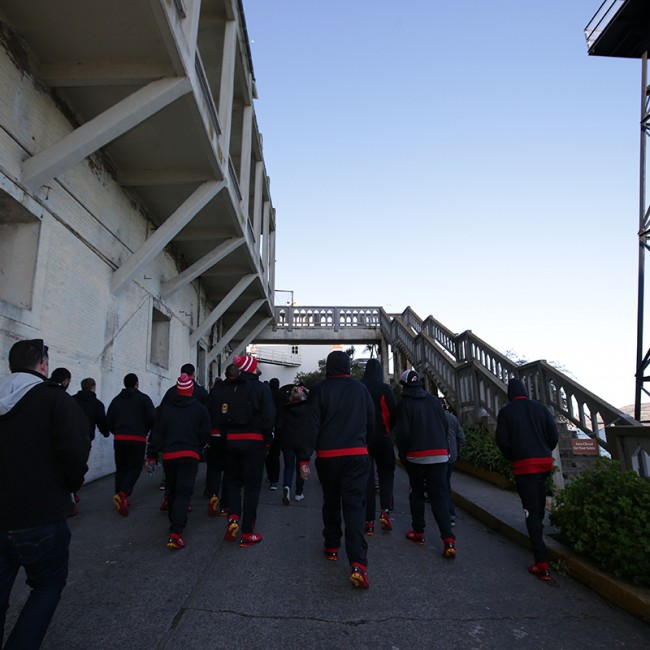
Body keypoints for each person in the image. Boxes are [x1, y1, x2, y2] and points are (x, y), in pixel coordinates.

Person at [0, 338, 90, 648]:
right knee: (47, 585)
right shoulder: (56, 400)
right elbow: (76, 452)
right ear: (42, 365)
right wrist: (69, 486)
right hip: (40, 514)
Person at [299, 350, 374, 589]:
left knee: (331, 501)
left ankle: (332, 546)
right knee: (354, 507)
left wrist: (304, 459)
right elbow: (371, 422)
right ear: (349, 367)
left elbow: (310, 426)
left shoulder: (319, 390)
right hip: (356, 455)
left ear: (327, 368)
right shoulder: (361, 390)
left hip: (328, 456)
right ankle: (358, 564)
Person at [495, 378, 559, 581]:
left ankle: (541, 562)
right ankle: (538, 532)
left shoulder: (507, 412)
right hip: (544, 463)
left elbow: (502, 441)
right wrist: (544, 449)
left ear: (510, 394)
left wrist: (514, 455)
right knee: (539, 504)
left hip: (525, 466)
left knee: (530, 510)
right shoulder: (541, 409)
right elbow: (553, 436)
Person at [394, 370, 456, 558]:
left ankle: (418, 532)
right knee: (439, 496)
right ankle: (449, 540)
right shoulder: (434, 401)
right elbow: (444, 426)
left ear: (404, 386)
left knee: (417, 494)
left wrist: (403, 455)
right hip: (439, 455)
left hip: (416, 456)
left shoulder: (404, 404)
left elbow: (403, 433)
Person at [146, 373, 210, 549]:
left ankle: (174, 522)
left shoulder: (166, 409)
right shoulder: (199, 409)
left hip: (170, 456)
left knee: (172, 491)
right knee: (184, 492)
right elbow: (206, 434)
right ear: (191, 390)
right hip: (190, 455)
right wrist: (200, 446)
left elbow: (156, 434)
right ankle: (176, 531)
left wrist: (151, 454)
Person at [219, 355, 275, 547]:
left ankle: (233, 516)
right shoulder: (261, 388)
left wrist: (226, 438)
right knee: (252, 486)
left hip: (232, 441)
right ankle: (247, 532)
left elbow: (222, 415)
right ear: (252, 369)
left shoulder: (228, 389)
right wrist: (267, 440)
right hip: (254, 441)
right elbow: (269, 416)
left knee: (233, 482)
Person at [106, 373, 155, 516]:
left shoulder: (116, 400)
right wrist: (145, 431)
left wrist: (116, 431)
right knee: (134, 468)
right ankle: (123, 494)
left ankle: (121, 496)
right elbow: (152, 417)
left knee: (121, 468)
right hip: (137, 438)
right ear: (136, 383)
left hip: (119, 438)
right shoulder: (144, 399)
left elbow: (109, 419)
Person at [360, 359, 397, 535]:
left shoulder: (358, 387)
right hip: (383, 437)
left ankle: (368, 521)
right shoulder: (384, 389)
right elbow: (392, 412)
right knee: (386, 474)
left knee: (367, 479)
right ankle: (385, 511)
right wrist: (388, 429)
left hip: (364, 439)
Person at [205, 366, 240, 517]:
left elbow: (208, 409)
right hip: (231, 435)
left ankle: (213, 494)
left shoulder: (216, 390)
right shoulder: (239, 390)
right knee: (229, 470)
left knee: (214, 467)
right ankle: (225, 505)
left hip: (215, 433)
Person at [277, 385, 309, 504]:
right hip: (302, 442)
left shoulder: (285, 409)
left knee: (288, 467)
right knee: (302, 467)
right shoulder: (307, 409)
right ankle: (299, 493)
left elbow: (279, 426)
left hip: (288, 441)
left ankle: (287, 486)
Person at [265, 378, 288, 490]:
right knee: (276, 454)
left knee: (268, 455)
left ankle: (270, 475)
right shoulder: (283, 396)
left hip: (268, 427)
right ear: (278, 385)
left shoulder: (267, 396)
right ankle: (274, 480)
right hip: (280, 428)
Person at [444, 407, 465, 526]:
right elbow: (461, 437)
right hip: (451, 455)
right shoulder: (452, 418)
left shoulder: (435, 417)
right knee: (446, 482)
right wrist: (457, 449)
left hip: (440, 455)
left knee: (443, 484)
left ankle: (449, 512)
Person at [73, 377, 109, 442]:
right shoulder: (98, 404)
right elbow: (101, 422)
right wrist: (106, 433)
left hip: (69, 435)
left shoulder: (71, 399)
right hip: (86, 437)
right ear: (93, 387)